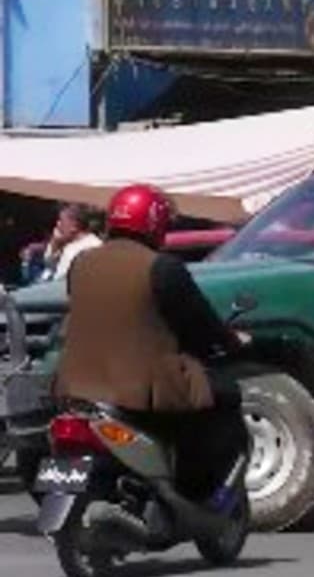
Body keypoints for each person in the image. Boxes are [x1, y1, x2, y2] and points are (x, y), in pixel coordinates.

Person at [53, 185, 250, 508]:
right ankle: (197, 494)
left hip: (75, 386)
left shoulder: (82, 263)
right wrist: (230, 342)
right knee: (223, 398)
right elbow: (200, 324)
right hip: (139, 389)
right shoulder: (162, 268)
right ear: (155, 223)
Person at [23, 204, 103, 285]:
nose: (58, 224)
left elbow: (57, 280)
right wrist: (55, 243)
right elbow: (48, 263)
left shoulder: (84, 249)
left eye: (61, 221)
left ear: (74, 226)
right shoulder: (70, 242)